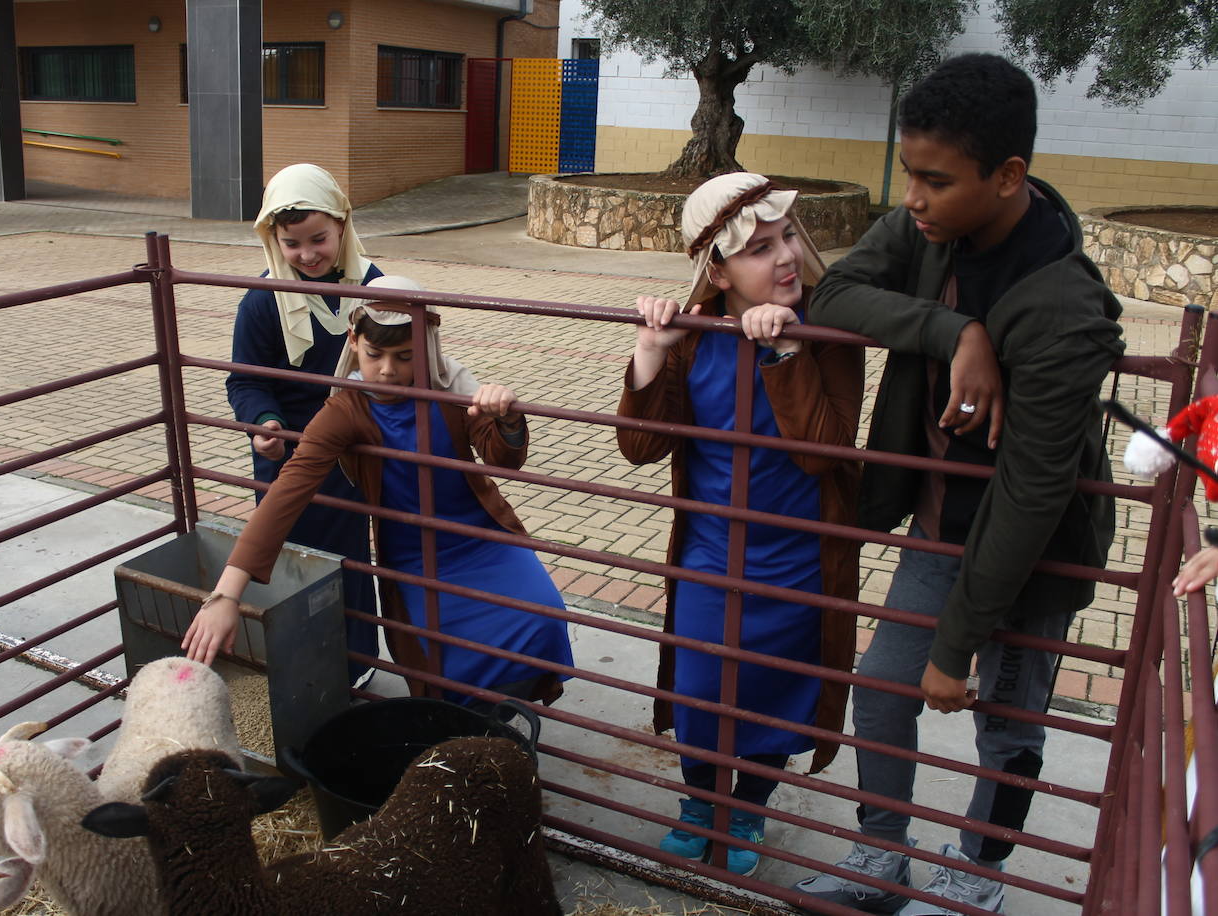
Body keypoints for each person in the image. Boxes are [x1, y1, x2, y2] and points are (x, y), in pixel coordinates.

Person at [791, 54, 1125, 915]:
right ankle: (883, 857)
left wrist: (956, 647)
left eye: (935, 180)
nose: (913, 197)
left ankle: (975, 873)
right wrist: (954, 330)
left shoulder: (1065, 307)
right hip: (940, 525)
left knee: (1007, 728)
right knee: (881, 696)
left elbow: (1032, 492)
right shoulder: (930, 230)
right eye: (909, 173)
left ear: (1009, 177)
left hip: (1033, 552)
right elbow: (835, 298)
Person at [616, 172, 863, 878]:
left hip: (796, 562)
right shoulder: (693, 334)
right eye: (758, 249)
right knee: (698, 690)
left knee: (774, 694)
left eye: (788, 237)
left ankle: (750, 807)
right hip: (709, 557)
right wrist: (651, 352)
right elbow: (639, 447)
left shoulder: (829, 333)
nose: (784, 257)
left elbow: (824, 453)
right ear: (717, 270)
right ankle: (699, 808)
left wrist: (786, 353)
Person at [186, 276, 575, 711]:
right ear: (353, 340)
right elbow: (287, 491)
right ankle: (467, 726)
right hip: (412, 555)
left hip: (483, 540)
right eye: (374, 355)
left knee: (541, 615)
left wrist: (503, 415)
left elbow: (504, 460)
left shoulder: (450, 386)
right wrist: (227, 594)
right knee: (439, 653)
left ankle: (500, 714)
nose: (387, 370)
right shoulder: (346, 409)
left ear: (426, 346)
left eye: (404, 357)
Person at [225, 163, 382, 685]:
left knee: (351, 557)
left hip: (353, 454)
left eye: (320, 238)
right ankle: (300, 659)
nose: (308, 254)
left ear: (343, 225)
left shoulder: (376, 288)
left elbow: (410, 363)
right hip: (287, 454)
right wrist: (262, 423)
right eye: (292, 244)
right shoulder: (262, 301)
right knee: (289, 557)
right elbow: (245, 382)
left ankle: (355, 662)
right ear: (274, 240)